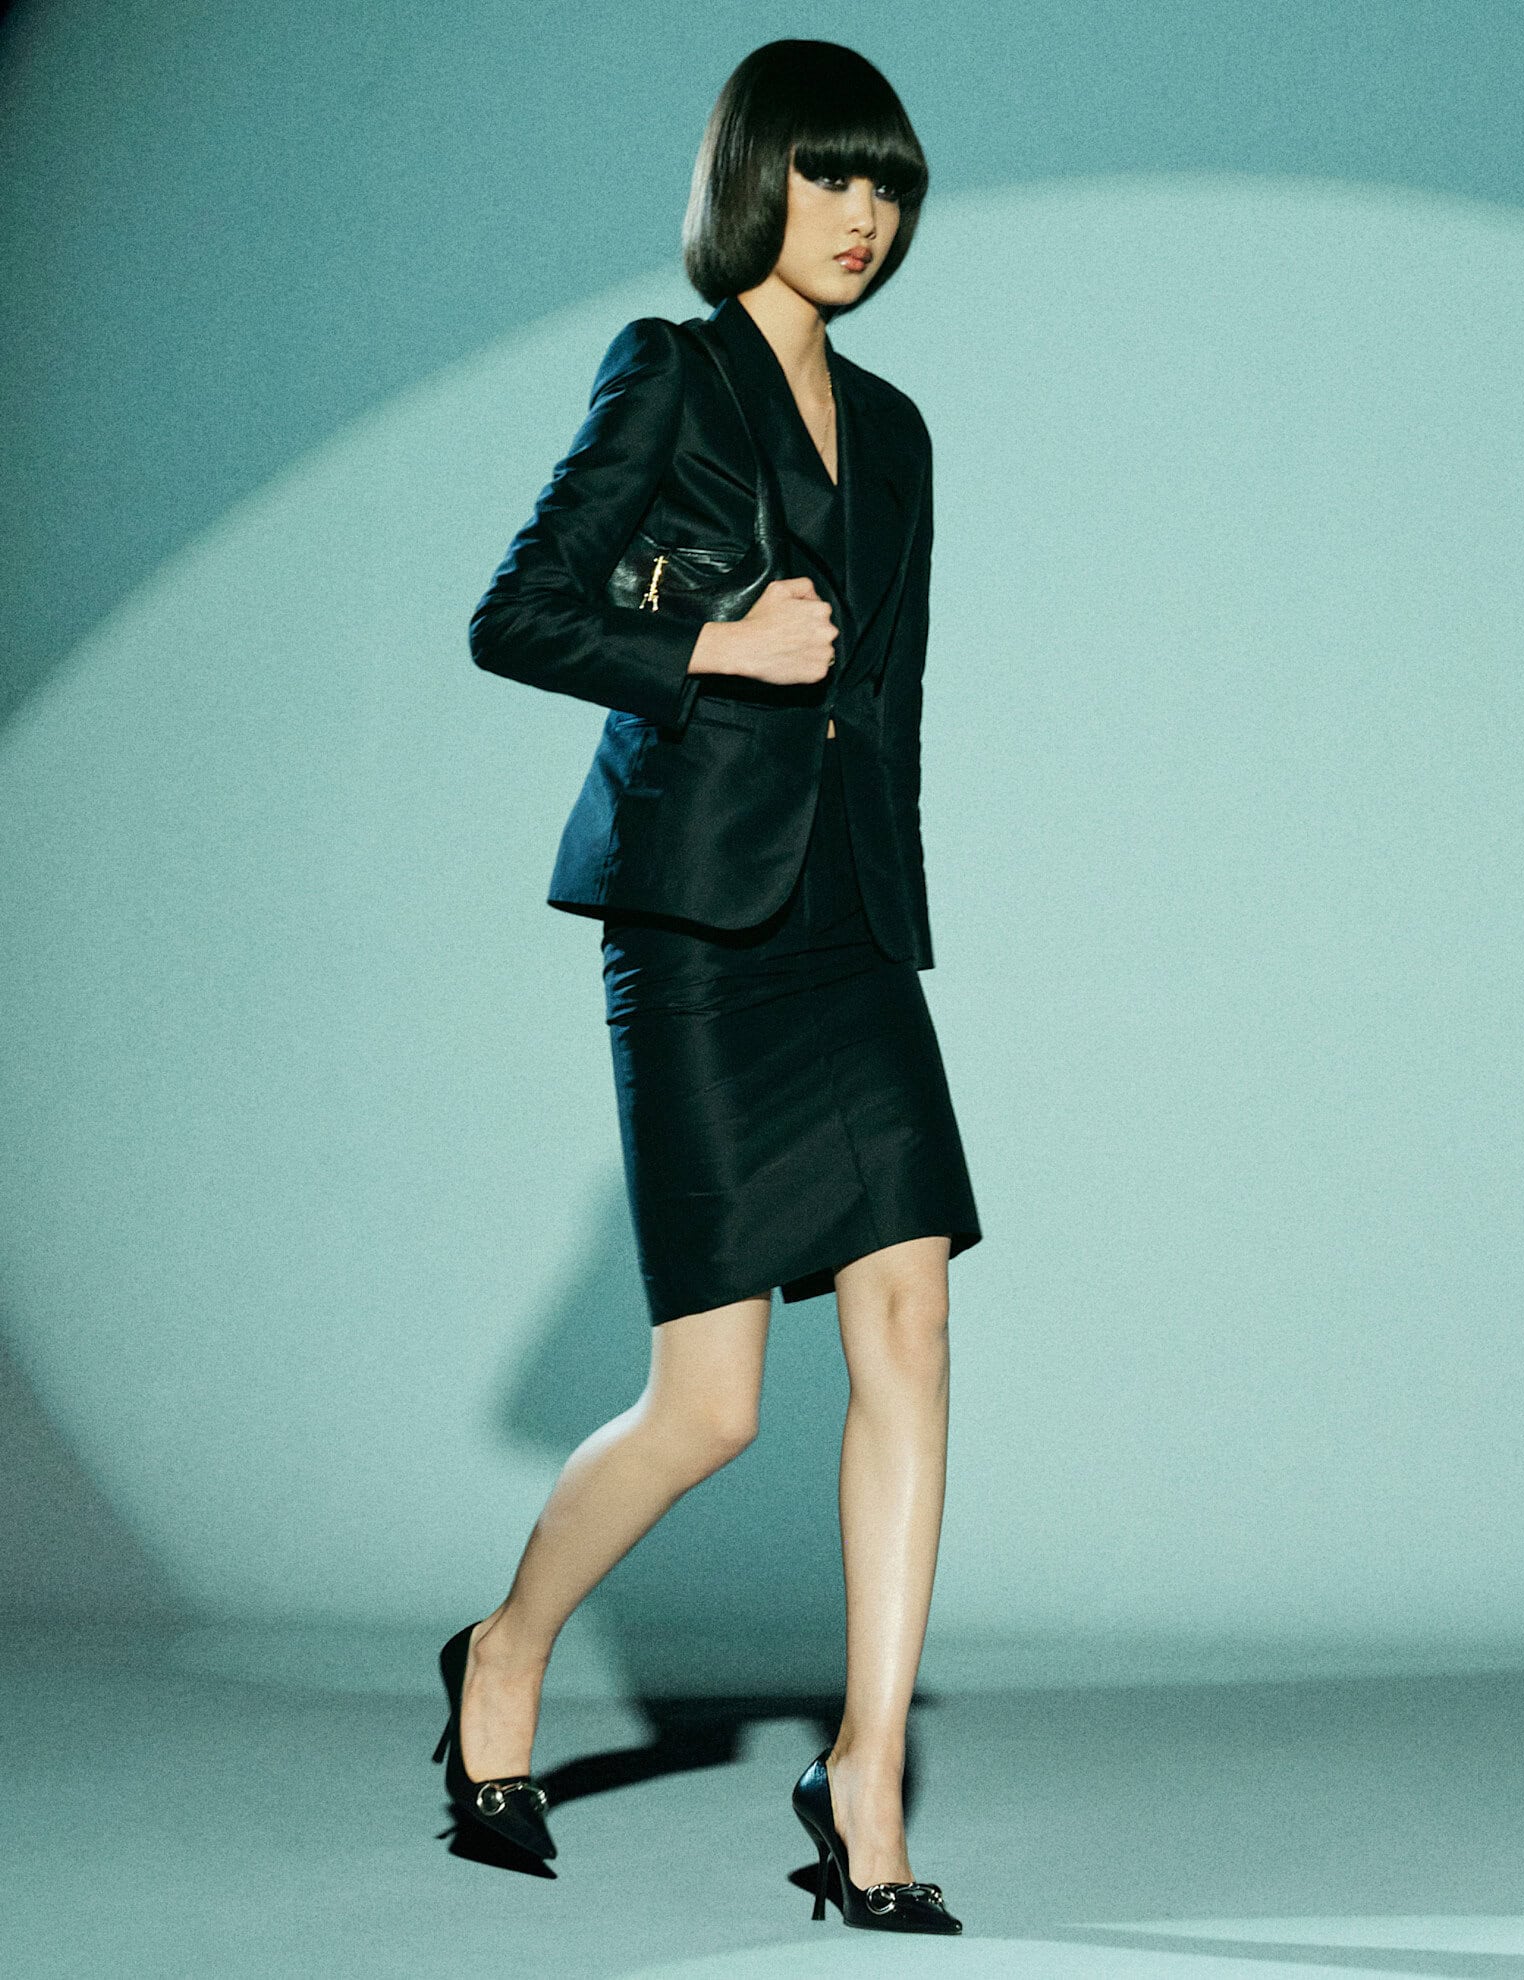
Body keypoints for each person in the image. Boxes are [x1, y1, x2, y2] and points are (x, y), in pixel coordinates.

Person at [435, 39, 980, 1935]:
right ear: (757, 180)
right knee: (713, 1407)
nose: (862, 214)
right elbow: (517, 612)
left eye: (887, 184)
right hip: (695, 927)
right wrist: (713, 644)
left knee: (912, 1325)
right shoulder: (669, 371)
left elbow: (892, 701)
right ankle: (504, 1652)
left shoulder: (899, 430)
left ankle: (866, 1777)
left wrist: (895, 913)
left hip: (847, 928)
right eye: (831, 175)